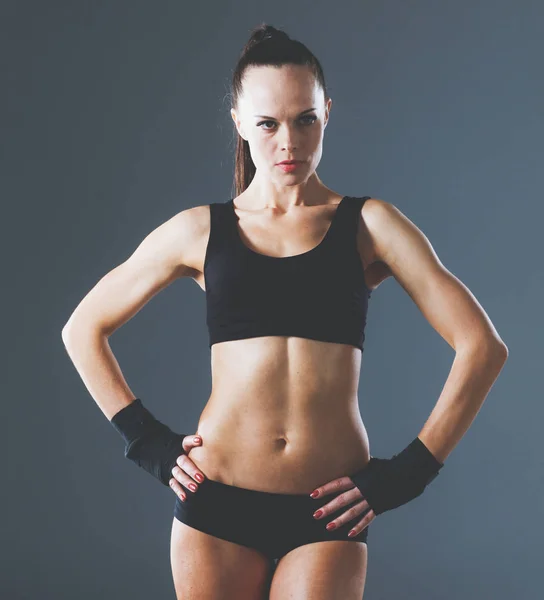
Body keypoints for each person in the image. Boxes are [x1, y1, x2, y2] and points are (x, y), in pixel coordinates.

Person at [61, 23, 509, 600]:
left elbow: (483, 348)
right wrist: (146, 441)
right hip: (215, 503)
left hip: (327, 514)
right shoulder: (201, 230)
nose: (288, 143)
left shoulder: (370, 225)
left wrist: (408, 474)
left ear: (327, 112)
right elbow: (83, 329)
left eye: (305, 119)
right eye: (268, 123)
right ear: (240, 123)